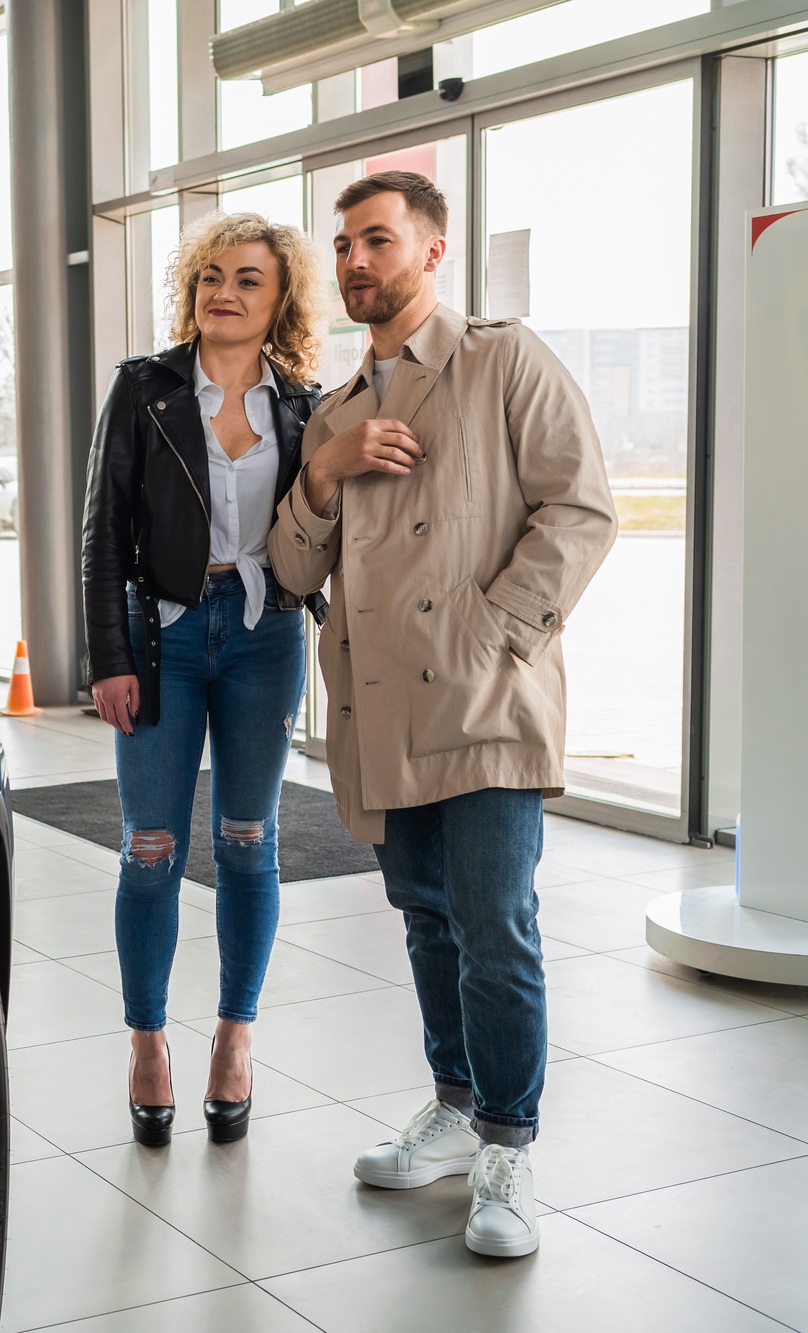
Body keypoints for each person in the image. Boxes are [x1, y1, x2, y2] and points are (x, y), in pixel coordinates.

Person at [267, 170, 617, 1257]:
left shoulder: (502, 360)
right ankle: (455, 1106)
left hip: (481, 700)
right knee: (424, 920)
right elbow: (287, 567)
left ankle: (508, 1140)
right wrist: (319, 475)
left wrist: (494, 633)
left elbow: (581, 507)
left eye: (376, 240)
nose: (353, 262)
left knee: (494, 929)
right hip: (377, 713)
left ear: (431, 251)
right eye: (342, 245)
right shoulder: (332, 410)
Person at [82, 212, 328, 1148]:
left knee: (246, 838)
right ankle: (149, 1040)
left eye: (248, 279)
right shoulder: (144, 389)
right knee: (150, 844)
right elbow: (103, 529)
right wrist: (108, 655)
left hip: (265, 633)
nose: (223, 291)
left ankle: (234, 1033)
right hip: (163, 637)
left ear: (280, 299)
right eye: (210, 276)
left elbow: (324, 523)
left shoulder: (302, 403)